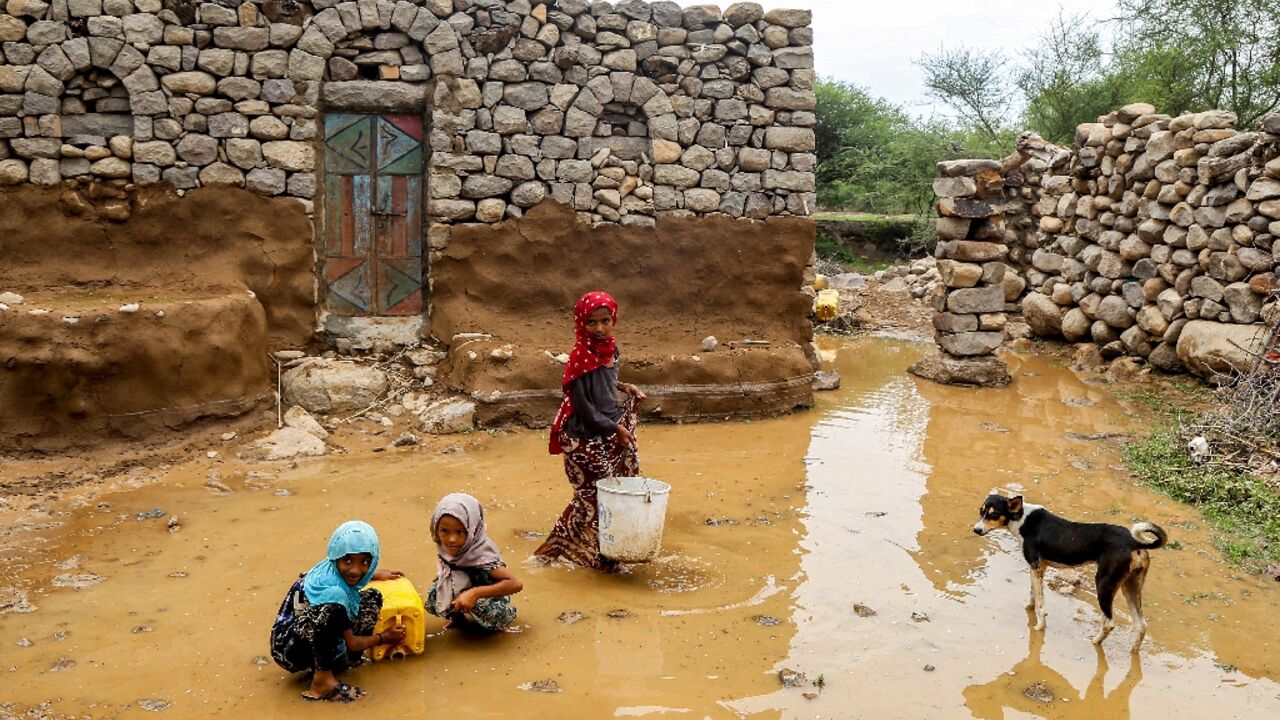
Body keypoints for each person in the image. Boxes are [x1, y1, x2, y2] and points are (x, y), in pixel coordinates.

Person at [534, 290, 647, 571]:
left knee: (601, 496)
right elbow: (582, 405)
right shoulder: (580, 355)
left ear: (613, 320)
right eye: (591, 322)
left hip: (605, 430)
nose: (599, 328)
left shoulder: (611, 349)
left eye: (605, 321)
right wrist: (615, 428)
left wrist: (625, 387)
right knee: (595, 497)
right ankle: (601, 559)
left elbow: (608, 380)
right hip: (581, 437)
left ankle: (555, 550)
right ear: (580, 324)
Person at [270, 520, 407, 703]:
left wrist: (375, 574)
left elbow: (353, 572)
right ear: (337, 557)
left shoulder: (330, 568)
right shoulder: (332, 593)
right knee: (333, 610)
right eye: (348, 560)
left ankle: (344, 662)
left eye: (365, 562)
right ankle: (321, 682)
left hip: (312, 632)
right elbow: (353, 643)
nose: (356, 570)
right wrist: (384, 637)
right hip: (290, 648)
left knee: (372, 597)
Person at [427, 493, 523, 632]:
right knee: (436, 592)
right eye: (444, 531)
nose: (452, 539)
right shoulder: (448, 548)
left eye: (460, 532)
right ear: (436, 529)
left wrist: (474, 593)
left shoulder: (482, 554)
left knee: (494, 613)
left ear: (472, 530)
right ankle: (458, 620)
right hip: (464, 591)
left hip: (489, 597)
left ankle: (500, 624)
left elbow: (515, 584)